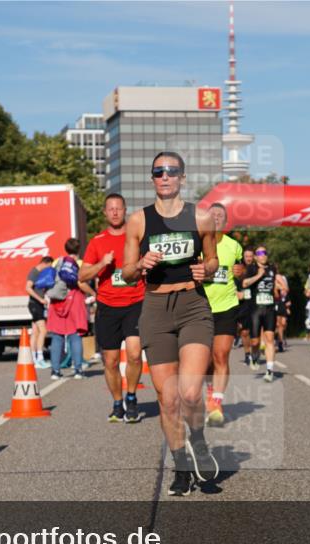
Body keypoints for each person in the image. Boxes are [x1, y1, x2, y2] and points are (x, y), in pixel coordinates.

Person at [121, 151, 219, 496]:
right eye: (158, 172)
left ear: (182, 177)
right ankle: (181, 467)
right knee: (168, 397)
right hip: (156, 307)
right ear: (152, 179)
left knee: (190, 392)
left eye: (172, 171)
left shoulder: (202, 217)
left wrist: (206, 270)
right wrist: (140, 264)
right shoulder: (138, 221)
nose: (165, 177)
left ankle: (200, 440)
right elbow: (126, 272)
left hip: (192, 305)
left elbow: (213, 260)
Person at [80, 193, 146, 423]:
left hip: (135, 302)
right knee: (111, 360)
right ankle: (117, 403)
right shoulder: (97, 241)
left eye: (119, 208)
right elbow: (82, 276)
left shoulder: (137, 236)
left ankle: (131, 397)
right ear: (105, 213)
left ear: (125, 210)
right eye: (111, 208)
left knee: (135, 355)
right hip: (108, 306)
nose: (115, 212)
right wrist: (102, 264)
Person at [202, 202, 245, 426]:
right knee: (206, 360)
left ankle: (216, 403)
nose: (217, 218)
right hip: (200, 306)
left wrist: (242, 271)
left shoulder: (233, 246)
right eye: (213, 215)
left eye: (221, 215)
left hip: (227, 306)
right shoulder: (197, 243)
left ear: (226, 221)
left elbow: (240, 270)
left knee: (221, 354)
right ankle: (210, 392)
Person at [48, 238, 89, 380]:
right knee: (75, 336)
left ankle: (55, 370)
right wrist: (94, 293)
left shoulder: (56, 262)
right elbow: (81, 283)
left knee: (57, 337)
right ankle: (78, 370)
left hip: (57, 300)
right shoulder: (80, 263)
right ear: (78, 249)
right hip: (74, 300)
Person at [243, 245, 281, 383]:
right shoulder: (251, 268)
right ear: (255, 256)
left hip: (270, 308)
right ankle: (255, 355)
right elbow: (245, 283)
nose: (263, 255)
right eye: (259, 253)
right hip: (255, 309)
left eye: (265, 252)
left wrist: (279, 286)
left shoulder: (272, 268)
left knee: (270, 338)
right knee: (255, 342)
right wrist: (258, 275)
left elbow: (274, 283)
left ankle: (270, 370)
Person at [26, 256, 54, 368]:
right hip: (35, 304)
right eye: (49, 266)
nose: (49, 269)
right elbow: (28, 288)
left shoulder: (39, 273)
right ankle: (40, 358)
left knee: (35, 332)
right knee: (43, 330)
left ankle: (33, 359)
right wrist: (40, 299)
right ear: (46, 263)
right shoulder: (34, 272)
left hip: (37, 305)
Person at [237, 247, 257, 368]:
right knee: (244, 332)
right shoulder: (240, 269)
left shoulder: (257, 269)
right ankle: (247, 354)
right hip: (243, 303)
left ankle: (256, 351)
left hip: (256, 303)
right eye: (246, 256)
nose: (248, 258)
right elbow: (232, 282)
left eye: (250, 256)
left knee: (256, 330)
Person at [274, 268, 290, 353]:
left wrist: (281, 287)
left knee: (282, 324)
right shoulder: (269, 277)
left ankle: (280, 342)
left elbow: (286, 290)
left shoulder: (281, 278)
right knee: (276, 323)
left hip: (281, 303)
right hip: (274, 302)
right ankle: (276, 340)